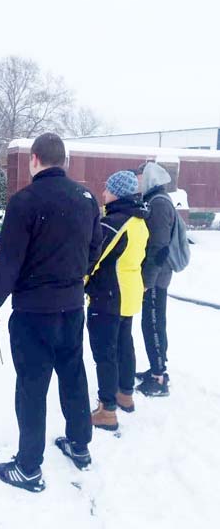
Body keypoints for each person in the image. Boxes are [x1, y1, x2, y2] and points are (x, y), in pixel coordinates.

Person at [0, 133, 102, 493]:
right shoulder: (86, 198)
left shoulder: (25, 201)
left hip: (34, 312)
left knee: (32, 387)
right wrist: (73, 278)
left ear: (35, 159)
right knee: (73, 375)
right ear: (62, 160)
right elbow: (94, 249)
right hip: (70, 308)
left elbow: (9, 262)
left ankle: (29, 467)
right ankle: (79, 445)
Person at [86, 171, 149, 431]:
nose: (103, 193)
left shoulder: (113, 223)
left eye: (108, 189)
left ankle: (107, 410)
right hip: (129, 292)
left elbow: (93, 258)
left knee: (105, 352)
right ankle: (125, 394)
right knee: (124, 345)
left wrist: (81, 280)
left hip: (109, 296)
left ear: (118, 193)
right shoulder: (139, 221)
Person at [135, 162, 175, 396]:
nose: (138, 181)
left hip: (156, 277)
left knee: (153, 324)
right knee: (153, 323)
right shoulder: (156, 199)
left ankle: (159, 378)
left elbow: (158, 247)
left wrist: (146, 281)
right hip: (156, 274)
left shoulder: (158, 203)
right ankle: (155, 368)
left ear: (149, 177)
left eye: (140, 176)